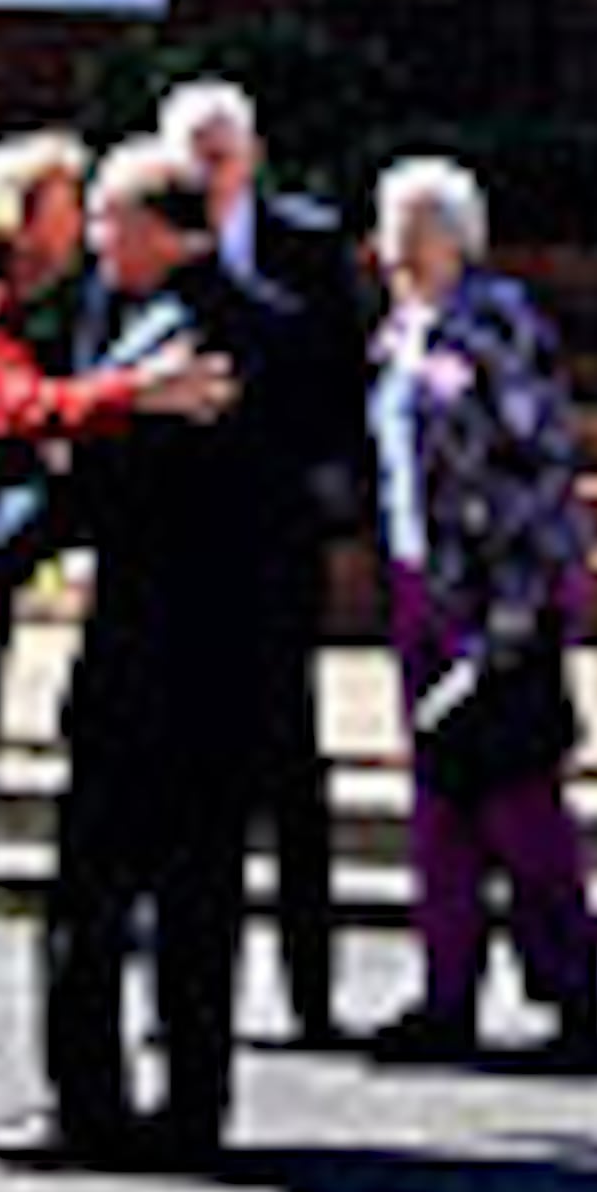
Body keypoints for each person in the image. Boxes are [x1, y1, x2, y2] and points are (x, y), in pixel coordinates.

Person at [0, 129, 235, 1142]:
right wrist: (134, 395)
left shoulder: (7, 306)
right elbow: (21, 411)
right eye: (71, 205)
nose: (83, 231)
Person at [0, 135, 293, 1177]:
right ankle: (194, 1102)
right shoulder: (266, 325)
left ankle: (89, 1104)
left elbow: (98, 490)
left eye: (108, 221)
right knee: (202, 891)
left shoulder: (167, 339)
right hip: (235, 655)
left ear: (161, 228)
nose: (91, 240)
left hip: (144, 654)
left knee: (91, 890)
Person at [364, 151, 597, 1067]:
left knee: (517, 792)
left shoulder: (498, 324)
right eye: (390, 228)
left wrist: (521, 605)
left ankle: (568, 983)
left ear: (453, 236)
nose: (392, 246)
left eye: (411, 229)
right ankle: (446, 987)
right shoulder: (399, 333)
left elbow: (539, 464)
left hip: (501, 583)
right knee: (438, 794)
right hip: (421, 578)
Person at [160, 72, 368, 1046]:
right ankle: (179, 988)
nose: (209, 169)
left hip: (277, 537)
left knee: (289, 768)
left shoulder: (309, 245)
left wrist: (334, 492)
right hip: (180, 544)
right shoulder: (145, 246)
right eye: (194, 154)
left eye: (224, 151)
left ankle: (311, 988)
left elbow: (341, 375)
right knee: (181, 775)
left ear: (252, 156)